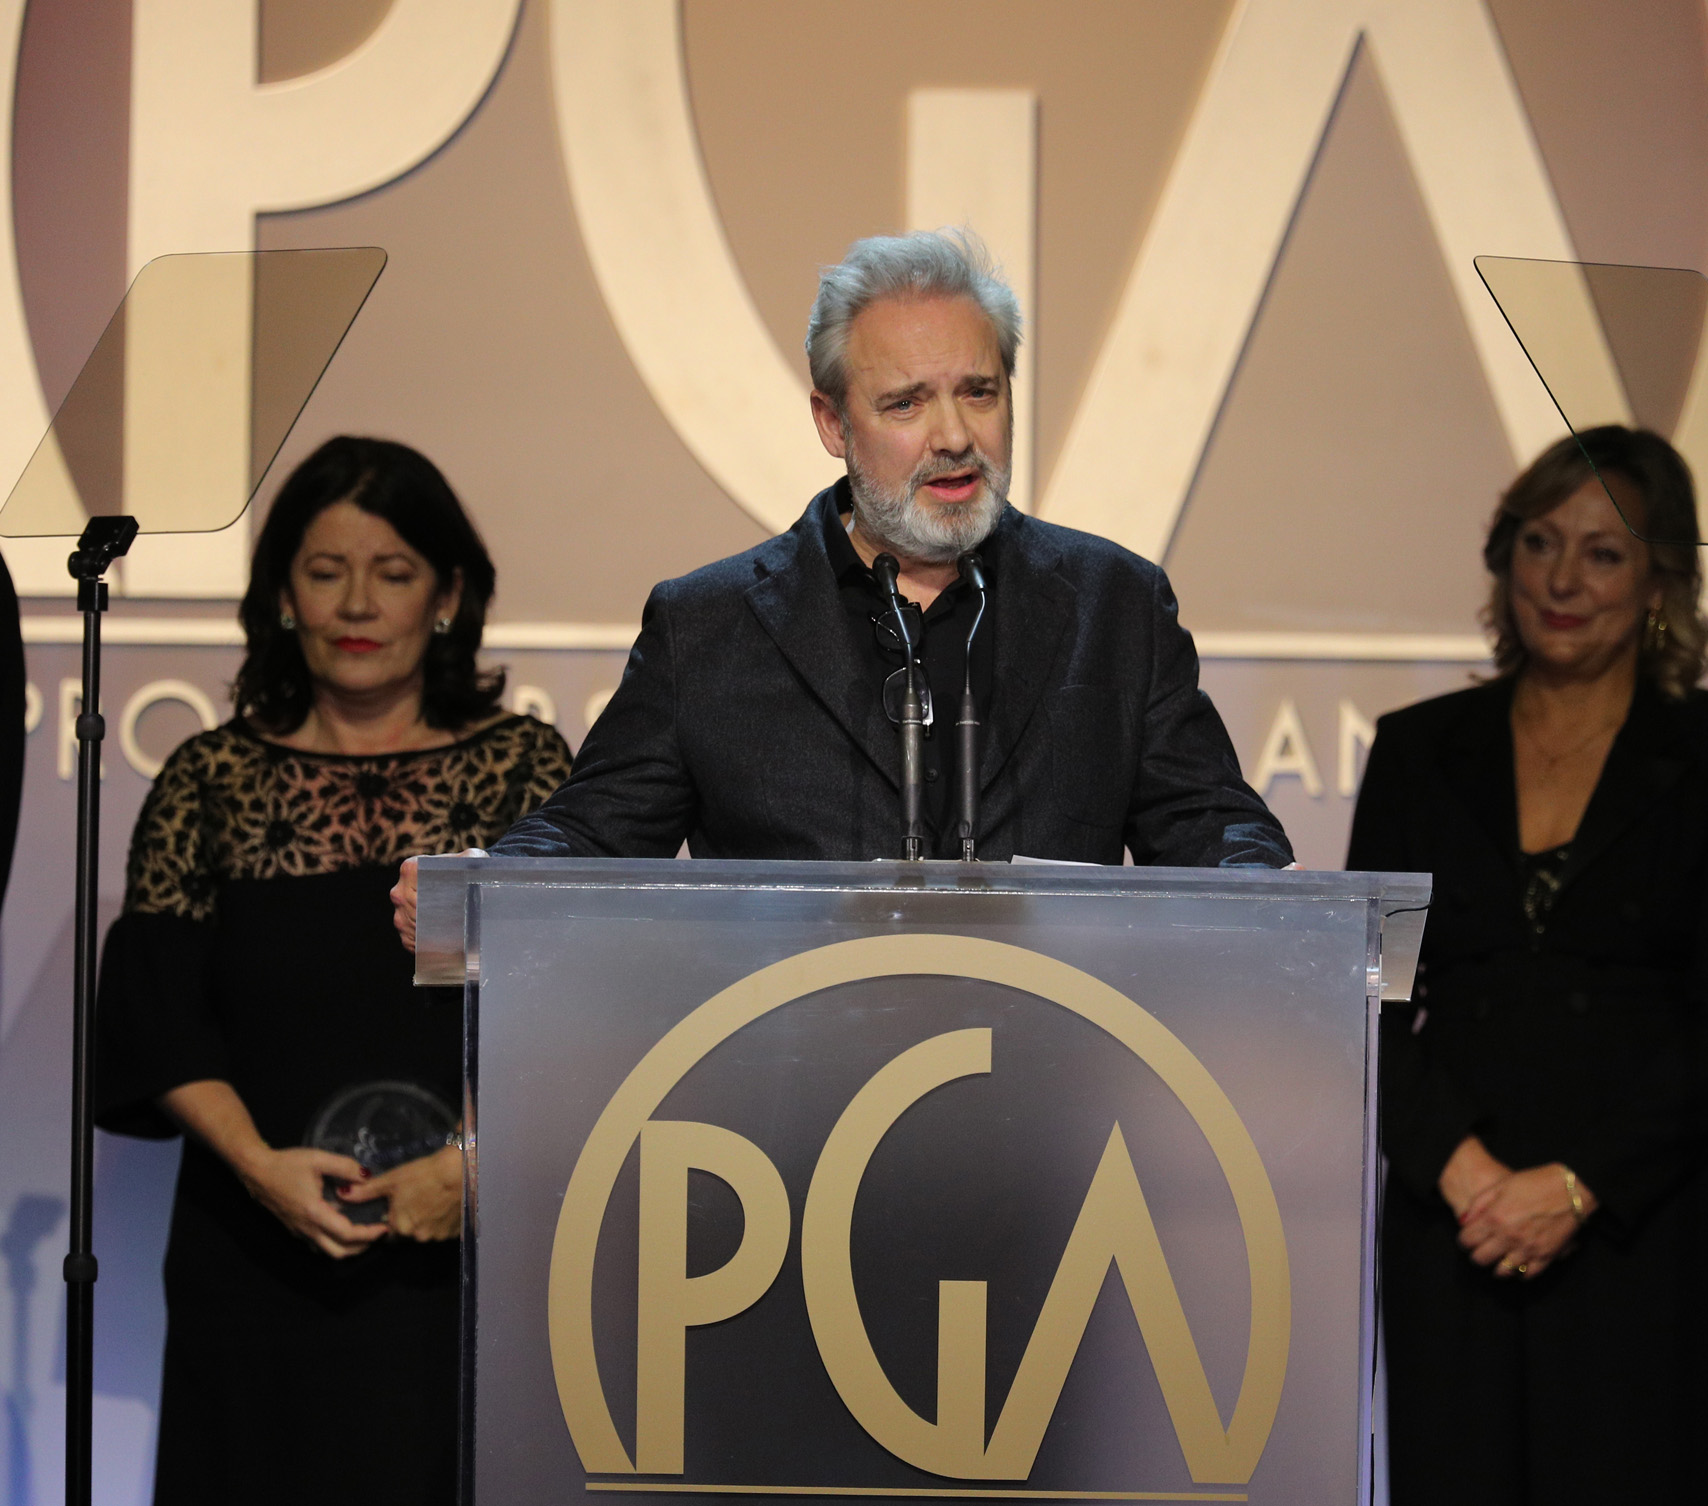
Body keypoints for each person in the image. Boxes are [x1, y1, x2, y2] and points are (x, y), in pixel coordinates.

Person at [392, 228, 1284, 931]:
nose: (953, 437)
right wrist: (489, 887)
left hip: (1053, 1106)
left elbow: (1213, 826)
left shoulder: (1114, 607)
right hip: (788, 1121)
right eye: (905, 402)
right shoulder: (709, 626)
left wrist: (1272, 894)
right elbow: (592, 833)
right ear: (832, 421)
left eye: (980, 391)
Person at [95, 437, 571, 1506]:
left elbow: (574, 1007)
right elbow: (158, 1019)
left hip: (458, 1255)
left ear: (447, 595)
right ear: (280, 596)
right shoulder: (209, 780)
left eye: (393, 573)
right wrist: (257, 1164)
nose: (357, 602)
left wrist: (475, 1162)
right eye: (323, 571)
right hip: (250, 1260)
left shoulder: (525, 770)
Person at [1345, 426, 1708, 1504]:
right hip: (1452, 1228)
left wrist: (1579, 1186)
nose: (1559, 578)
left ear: (1659, 583)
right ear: (1501, 560)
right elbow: (1364, 994)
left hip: (1644, 1233)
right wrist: (1461, 1175)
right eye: (1538, 542)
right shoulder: (1417, 750)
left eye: (1601, 552)